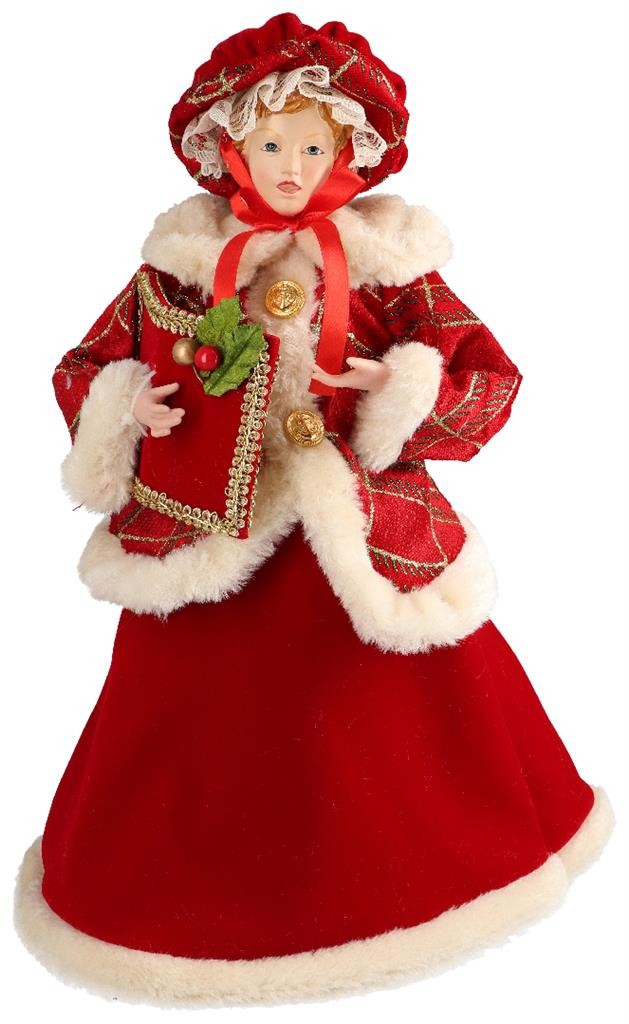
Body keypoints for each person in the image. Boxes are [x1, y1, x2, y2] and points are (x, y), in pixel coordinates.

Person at [13, 11, 614, 1009]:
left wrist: (399, 390)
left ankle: (425, 870)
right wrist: (129, 406)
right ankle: (191, 899)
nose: (290, 168)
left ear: (348, 152)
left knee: (397, 719)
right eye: (270, 146)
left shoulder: (385, 263)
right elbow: (88, 363)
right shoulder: (180, 265)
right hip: (212, 531)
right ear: (229, 150)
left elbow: (488, 379)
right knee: (190, 715)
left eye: (310, 147)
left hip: (359, 530)